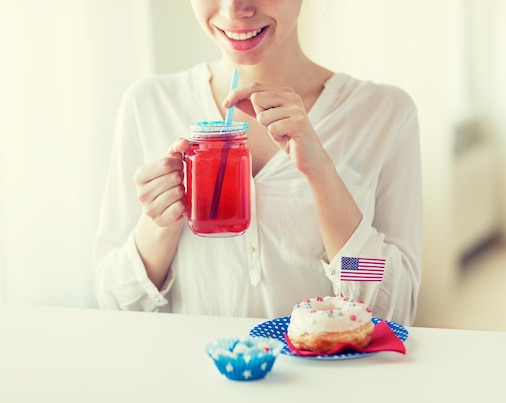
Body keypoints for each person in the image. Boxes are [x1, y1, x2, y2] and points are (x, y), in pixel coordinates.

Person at [93, 0, 421, 325]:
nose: (234, 9)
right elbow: (115, 303)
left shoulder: (384, 113)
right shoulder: (148, 104)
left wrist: (321, 174)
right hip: (191, 375)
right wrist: (159, 224)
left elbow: (395, 307)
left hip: (325, 376)